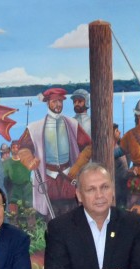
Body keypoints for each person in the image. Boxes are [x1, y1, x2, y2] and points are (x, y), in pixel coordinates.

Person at [17, 87, 92, 219]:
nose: (58, 104)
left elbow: (88, 147)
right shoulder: (35, 128)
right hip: (48, 178)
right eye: (54, 101)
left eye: (60, 101)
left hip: (68, 177)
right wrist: (29, 161)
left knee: (72, 213)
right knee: (50, 218)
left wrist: (77, 166)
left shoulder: (72, 124)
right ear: (48, 103)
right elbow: (23, 148)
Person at [1, 140, 33, 210]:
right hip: (13, 189)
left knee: (29, 211)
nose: (15, 149)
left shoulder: (27, 160)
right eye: (13, 147)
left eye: (17, 147)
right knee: (13, 212)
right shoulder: (6, 163)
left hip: (27, 188)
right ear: (11, 149)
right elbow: (4, 179)